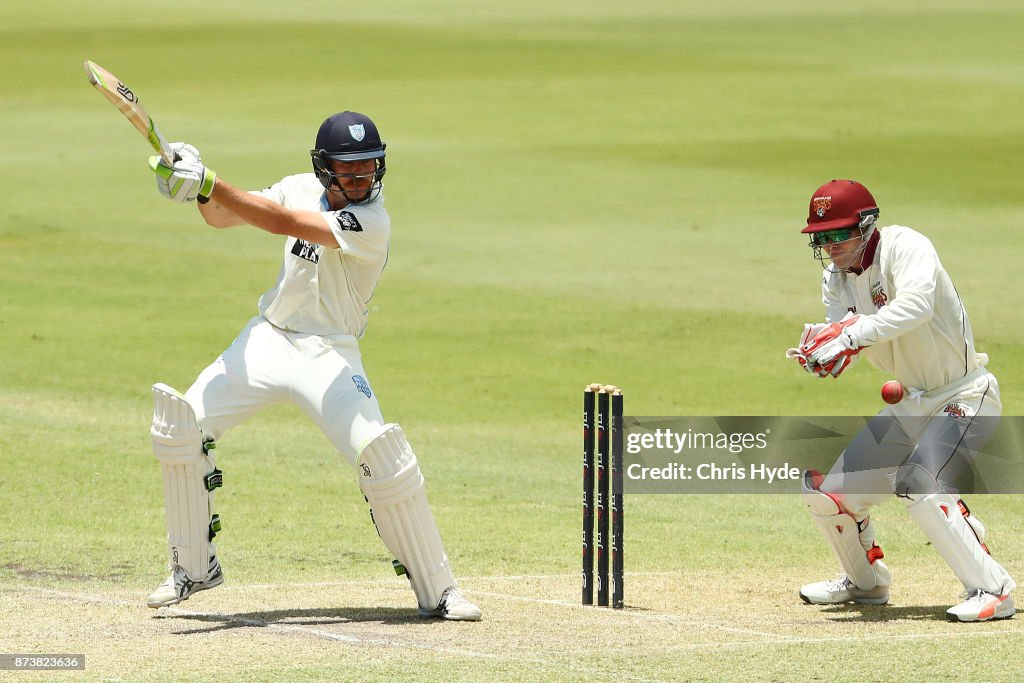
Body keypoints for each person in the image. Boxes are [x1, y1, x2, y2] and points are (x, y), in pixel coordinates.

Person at [141, 111, 481, 621]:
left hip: (329, 354)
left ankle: (441, 589)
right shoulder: (298, 186)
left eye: (368, 168)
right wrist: (192, 185)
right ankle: (192, 569)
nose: (360, 179)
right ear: (323, 170)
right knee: (178, 425)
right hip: (267, 340)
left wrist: (210, 180)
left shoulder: (372, 222)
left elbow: (281, 224)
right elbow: (225, 216)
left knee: (383, 456)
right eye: (347, 170)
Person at [787, 179, 1015, 622]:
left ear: (867, 226)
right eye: (821, 237)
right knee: (829, 495)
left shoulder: (906, 245)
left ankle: (994, 590)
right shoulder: (834, 276)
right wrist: (825, 349)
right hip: (911, 401)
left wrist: (850, 335)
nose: (830, 247)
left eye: (838, 234)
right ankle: (865, 583)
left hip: (966, 393)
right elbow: (844, 329)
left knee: (919, 482)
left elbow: (916, 305)